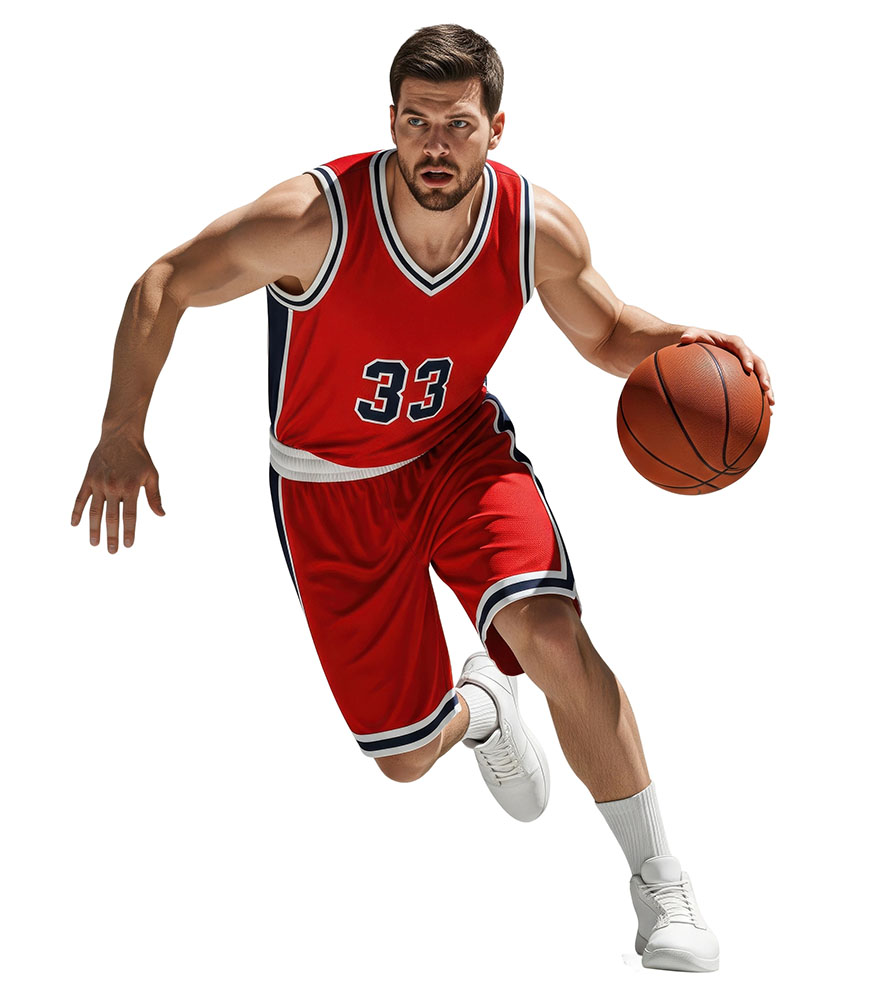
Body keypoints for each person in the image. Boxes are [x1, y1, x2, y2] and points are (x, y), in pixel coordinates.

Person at [71, 23, 775, 973]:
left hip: (456, 453)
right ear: (392, 120)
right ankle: (479, 709)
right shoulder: (312, 219)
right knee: (402, 760)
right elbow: (164, 282)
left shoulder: (533, 227)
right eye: (416, 121)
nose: (434, 144)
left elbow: (607, 331)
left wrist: (690, 344)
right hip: (331, 489)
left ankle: (660, 882)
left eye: (457, 123)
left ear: (496, 127)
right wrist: (122, 430)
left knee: (551, 634)